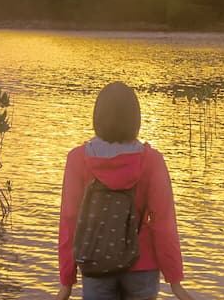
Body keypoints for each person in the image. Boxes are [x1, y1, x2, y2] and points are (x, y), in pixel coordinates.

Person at [56, 82, 196, 300]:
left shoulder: (77, 159)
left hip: (95, 264)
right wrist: (175, 280)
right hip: (143, 266)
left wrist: (67, 281)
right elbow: (163, 224)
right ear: (136, 119)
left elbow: (69, 221)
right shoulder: (152, 161)